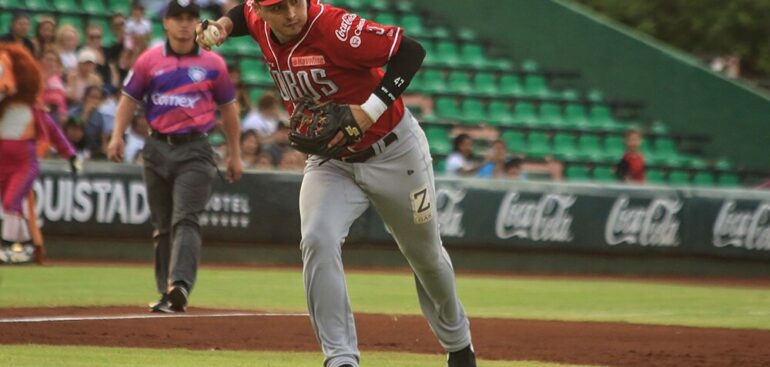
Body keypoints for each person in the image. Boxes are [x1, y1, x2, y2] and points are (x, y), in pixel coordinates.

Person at [200, 1, 475, 366]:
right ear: (260, 9)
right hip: (331, 161)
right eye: (278, 7)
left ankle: (459, 345)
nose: (291, 13)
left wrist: (369, 111)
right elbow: (240, 17)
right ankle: (341, 358)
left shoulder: (336, 28)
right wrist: (220, 25)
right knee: (317, 239)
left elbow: (411, 51)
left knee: (425, 256)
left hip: (395, 152)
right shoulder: (256, 17)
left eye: (296, 2)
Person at [107, 0, 243, 313]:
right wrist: (117, 135)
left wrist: (235, 154)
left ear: (198, 24)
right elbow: (129, 99)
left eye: (190, 18)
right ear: (165, 24)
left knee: (186, 218)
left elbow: (229, 110)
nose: (184, 24)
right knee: (162, 225)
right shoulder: (149, 60)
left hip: (196, 148)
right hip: (156, 147)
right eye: (177, 18)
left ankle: (179, 284)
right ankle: (166, 291)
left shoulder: (213, 64)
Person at [0, 43, 76, 264]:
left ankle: (5, 246)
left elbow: (53, 132)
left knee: (11, 202)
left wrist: (70, 155)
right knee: (11, 205)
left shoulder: (32, 108)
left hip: (24, 161)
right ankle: (26, 246)